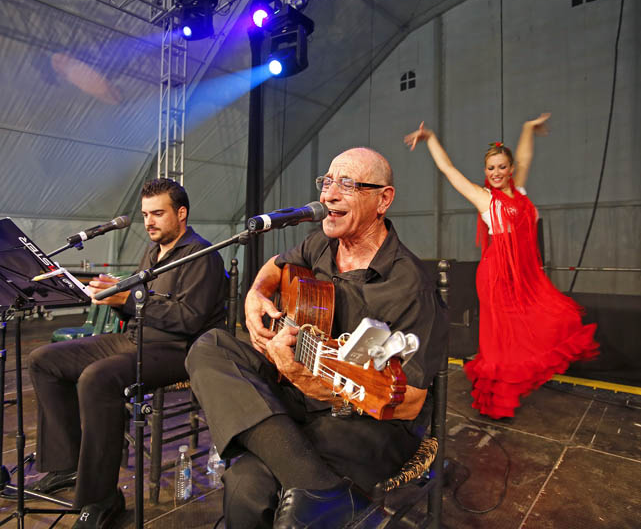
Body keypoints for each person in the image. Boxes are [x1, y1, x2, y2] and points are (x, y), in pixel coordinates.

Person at [185, 147, 448, 529]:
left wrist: (301, 376)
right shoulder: (320, 244)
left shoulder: (411, 287)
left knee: (246, 483)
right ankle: (326, 493)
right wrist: (256, 294)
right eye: (326, 182)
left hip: (366, 422)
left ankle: (310, 487)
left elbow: (408, 403)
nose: (328, 196)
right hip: (300, 397)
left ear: (383, 199)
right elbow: (275, 269)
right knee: (210, 345)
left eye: (347, 184)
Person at [28, 178, 228, 528]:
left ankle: (102, 497)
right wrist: (115, 298)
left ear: (181, 214)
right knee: (44, 360)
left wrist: (131, 300)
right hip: (136, 339)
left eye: (157, 213)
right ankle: (68, 466)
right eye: (145, 214)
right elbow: (137, 307)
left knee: (97, 378)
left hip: (176, 349)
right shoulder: (153, 252)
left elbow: (188, 319)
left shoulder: (202, 255)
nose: (149, 221)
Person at [404, 114, 599, 420]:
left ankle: (509, 388)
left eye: (502, 167)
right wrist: (431, 140)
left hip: (525, 275)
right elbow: (449, 170)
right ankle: (497, 400)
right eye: (491, 168)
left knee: (544, 322)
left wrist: (527, 129)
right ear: (485, 172)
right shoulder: (485, 200)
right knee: (501, 340)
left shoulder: (519, 194)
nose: (496, 172)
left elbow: (524, 155)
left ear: (510, 171)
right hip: (497, 276)